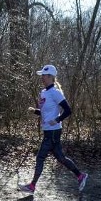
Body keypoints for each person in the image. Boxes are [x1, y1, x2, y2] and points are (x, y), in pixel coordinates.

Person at [18, 64, 89, 194]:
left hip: (53, 132)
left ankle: (32, 186)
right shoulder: (44, 92)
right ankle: (80, 175)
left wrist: (57, 120)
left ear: (51, 77)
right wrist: (35, 111)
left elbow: (68, 110)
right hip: (48, 131)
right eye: (42, 76)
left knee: (40, 157)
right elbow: (46, 113)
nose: (42, 78)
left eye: (44, 76)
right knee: (61, 158)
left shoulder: (56, 93)